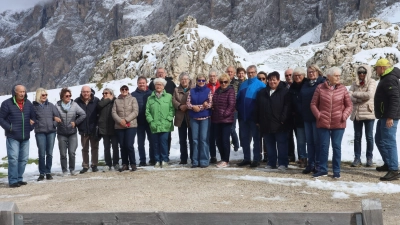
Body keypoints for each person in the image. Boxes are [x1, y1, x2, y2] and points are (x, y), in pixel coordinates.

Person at [310, 67, 352, 178]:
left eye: (339, 75)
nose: (338, 77)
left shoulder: (343, 89)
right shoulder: (320, 88)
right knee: (323, 147)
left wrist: (344, 116)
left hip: (338, 123)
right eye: (336, 76)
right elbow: (313, 104)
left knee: (336, 147)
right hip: (323, 123)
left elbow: (349, 105)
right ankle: (323, 169)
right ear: (329, 76)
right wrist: (319, 115)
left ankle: (336, 170)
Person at [0, 85, 36, 188]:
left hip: (25, 137)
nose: (22, 94)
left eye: (24, 91)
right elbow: (1, 119)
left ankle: (19, 178)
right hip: (13, 136)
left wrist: (31, 126)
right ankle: (13, 180)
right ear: (15, 92)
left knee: (24, 159)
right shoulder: (7, 103)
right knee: (13, 158)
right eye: (20, 92)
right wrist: (10, 128)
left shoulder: (28, 104)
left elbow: (34, 117)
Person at [255, 72, 291, 170]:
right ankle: (271, 162)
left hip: (280, 124)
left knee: (281, 144)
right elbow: (257, 107)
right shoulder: (262, 92)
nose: (272, 82)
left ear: (279, 80)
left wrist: (283, 119)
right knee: (269, 144)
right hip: (266, 123)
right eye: (270, 79)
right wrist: (258, 120)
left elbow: (287, 107)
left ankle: (283, 163)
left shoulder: (285, 92)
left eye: (274, 79)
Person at [373, 58, 400, 181]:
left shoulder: (389, 79)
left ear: (382, 68)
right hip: (384, 116)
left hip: (389, 117)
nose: (376, 70)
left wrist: (390, 117)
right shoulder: (386, 77)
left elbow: (395, 99)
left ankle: (394, 169)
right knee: (379, 139)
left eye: (377, 68)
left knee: (389, 142)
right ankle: (389, 163)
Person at [236, 65, 266, 167]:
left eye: (252, 72)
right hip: (243, 117)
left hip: (254, 117)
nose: (250, 74)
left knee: (256, 139)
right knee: (244, 139)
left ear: (256, 73)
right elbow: (238, 99)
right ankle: (246, 158)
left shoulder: (261, 85)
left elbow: (263, 102)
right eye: (249, 73)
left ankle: (256, 159)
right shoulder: (243, 84)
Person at [348, 65, 376, 167]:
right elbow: (349, 95)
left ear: (367, 72)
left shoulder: (372, 82)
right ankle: (357, 158)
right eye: (359, 72)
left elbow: (369, 95)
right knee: (357, 137)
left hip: (368, 113)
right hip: (357, 114)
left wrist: (355, 94)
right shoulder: (354, 82)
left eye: (364, 72)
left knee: (369, 137)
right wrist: (359, 98)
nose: (361, 74)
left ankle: (369, 158)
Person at [300, 64, 325, 174]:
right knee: (309, 142)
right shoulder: (305, 84)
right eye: (309, 71)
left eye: (313, 71)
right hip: (306, 117)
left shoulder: (322, 83)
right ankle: (311, 163)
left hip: (317, 117)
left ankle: (318, 164)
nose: (311, 73)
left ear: (318, 72)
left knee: (317, 141)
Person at [55, 88, 86, 176]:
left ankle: (72, 169)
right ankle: (64, 170)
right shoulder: (57, 106)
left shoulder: (74, 105)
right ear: (62, 97)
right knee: (63, 153)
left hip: (72, 133)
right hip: (61, 133)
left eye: (70, 96)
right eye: (66, 96)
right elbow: (53, 116)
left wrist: (75, 122)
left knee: (72, 152)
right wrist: (55, 120)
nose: (69, 97)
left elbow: (83, 114)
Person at [146, 78, 174, 168]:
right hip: (154, 125)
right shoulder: (150, 98)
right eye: (157, 84)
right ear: (154, 86)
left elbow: (172, 109)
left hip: (165, 124)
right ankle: (157, 160)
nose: (158, 86)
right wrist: (150, 121)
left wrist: (169, 119)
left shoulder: (169, 96)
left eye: (160, 85)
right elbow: (147, 111)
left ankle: (165, 160)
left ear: (163, 86)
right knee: (155, 143)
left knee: (164, 142)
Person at [33, 88, 60, 181]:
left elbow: (58, 117)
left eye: (46, 95)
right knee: (41, 153)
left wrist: (54, 124)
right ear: (38, 95)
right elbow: (31, 118)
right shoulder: (33, 107)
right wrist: (36, 124)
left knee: (49, 153)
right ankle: (41, 173)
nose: (45, 96)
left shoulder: (51, 105)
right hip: (40, 132)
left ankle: (48, 172)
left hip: (51, 132)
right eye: (42, 95)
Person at [149, 67, 176, 155]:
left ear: (165, 74)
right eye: (158, 73)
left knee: (166, 137)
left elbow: (175, 97)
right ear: (156, 74)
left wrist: (170, 116)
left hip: (166, 115)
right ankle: (155, 157)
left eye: (162, 72)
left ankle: (166, 154)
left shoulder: (171, 83)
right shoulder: (152, 84)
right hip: (155, 115)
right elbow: (149, 98)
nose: (160, 74)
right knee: (154, 138)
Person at [187, 74, 212, 168]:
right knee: (195, 140)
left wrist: (199, 107)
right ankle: (195, 161)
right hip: (194, 118)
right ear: (196, 81)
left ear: (205, 81)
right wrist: (193, 107)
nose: (201, 82)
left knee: (204, 139)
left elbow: (210, 104)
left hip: (205, 118)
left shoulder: (208, 91)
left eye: (203, 80)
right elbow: (188, 103)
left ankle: (204, 160)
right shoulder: (191, 91)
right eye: (199, 80)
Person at [112, 85, 139, 172]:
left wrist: (126, 120)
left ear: (128, 90)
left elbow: (135, 111)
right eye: (122, 89)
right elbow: (113, 112)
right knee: (122, 146)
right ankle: (125, 164)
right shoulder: (116, 100)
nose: (124, 91)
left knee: (129, 145)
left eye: (126, 89)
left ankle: (133, 163)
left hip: (131, 125)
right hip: (119, 126)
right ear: (120, 90)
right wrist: (120, 121)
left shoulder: (133, 99)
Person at [212, 73, 236, 168]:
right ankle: (222, 158)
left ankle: (226, 160)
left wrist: (224, 114)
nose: (223, 84)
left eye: (225, 82)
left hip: (226, 120)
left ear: (228, 82)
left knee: (225, 140)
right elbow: (214, 102)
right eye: (221, 82)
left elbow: (232, 105)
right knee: (218, 140)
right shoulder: (217, 91)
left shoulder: (230, 91)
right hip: (217, 119)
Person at [75, 86, 100, 173]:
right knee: (84, 148)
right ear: (81, 92)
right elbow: (75, 115)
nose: (86, 93)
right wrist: (78, 125)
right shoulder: (77, 101)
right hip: (83, 128)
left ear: (90, 92)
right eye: (84, 92)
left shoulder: (96, 100)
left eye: (87, 92)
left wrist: (98, 125)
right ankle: (85, 166)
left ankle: (94, 165)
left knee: (95, 147)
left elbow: (99, 114)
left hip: (94, 128)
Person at [131, 76, 153, 166]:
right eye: (140, 83)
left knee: (152, 141)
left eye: (143, 83)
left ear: (146, 83)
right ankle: (142, 160)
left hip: (149, 121)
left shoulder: (151, 93)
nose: (142, 84)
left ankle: (152, 159)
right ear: (137, 84)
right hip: (138, 122)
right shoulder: (133, 95)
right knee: (140, 143)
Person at [172, 72, 194, 165]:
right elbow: (173, 100)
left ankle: (193, 157)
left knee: (192, 139)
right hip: (181, 117)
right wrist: (180, 106)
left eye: (186, 79)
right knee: (182, 139)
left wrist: (187, 106)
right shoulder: (176, 90)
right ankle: (183, 158)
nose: (184, 81)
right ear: (180, 81)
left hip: (191, 116)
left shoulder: (193, 89)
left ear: (189, 80)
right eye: (182, 79)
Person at [288, 67, 308, 168]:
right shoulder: (292, 87)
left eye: (299, 75)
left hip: (309, 117)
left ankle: (311, 159)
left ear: (304, 76)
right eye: (295, 76)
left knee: (310, 140)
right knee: (300, 140)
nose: (297, 77)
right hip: (298, 118)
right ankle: (302, 158)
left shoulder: (308, 84)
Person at [97, 88, 119, 171]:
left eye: (106, 93)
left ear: (111, 94)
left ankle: (116, 163)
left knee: (115, 147)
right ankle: (108, 163)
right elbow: (99, 106)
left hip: (114, 127)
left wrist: (111, 99)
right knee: (106, 147)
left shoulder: (116, 101)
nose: (104, 95)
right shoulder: (101, 102)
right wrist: (108, 100)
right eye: (103, 93)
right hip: (104, 128)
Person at [207, 69, 220, 164]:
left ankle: (223, 155)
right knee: (211, 137)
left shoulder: (221, 85)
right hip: (209, 115)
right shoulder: (206, 87)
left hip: (219, 115)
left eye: (214, 76)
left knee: (219, 136)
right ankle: (213, 156)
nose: (212, 77)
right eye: (211, 76)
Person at [226, 66, 240, 152]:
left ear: (234, 73)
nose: (230, 73)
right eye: (228, 71)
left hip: (234, 109)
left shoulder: (238, 83)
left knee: (232, 128)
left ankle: (236, 144)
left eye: (231, 72)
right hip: (224, 109)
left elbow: (239, 96)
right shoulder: (223, 82)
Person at [284, 68, 296, 162]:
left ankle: (302, 157)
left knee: (301, 138)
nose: (289, 77)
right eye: (287, 75)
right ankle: (290, 155)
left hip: (298, 115)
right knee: (288, 137)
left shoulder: (298, 85)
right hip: (288, 116)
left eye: (290, 75)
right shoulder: (283, 86)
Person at [257, 71, 268, 162]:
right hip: (259, 117)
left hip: (268, 118)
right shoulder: (256, 90)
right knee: (258, 137)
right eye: (259, 79)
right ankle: (259, 154)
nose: (261, 80)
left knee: (267, 137)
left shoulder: (269, 89)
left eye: (263, 78)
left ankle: (267, 155)